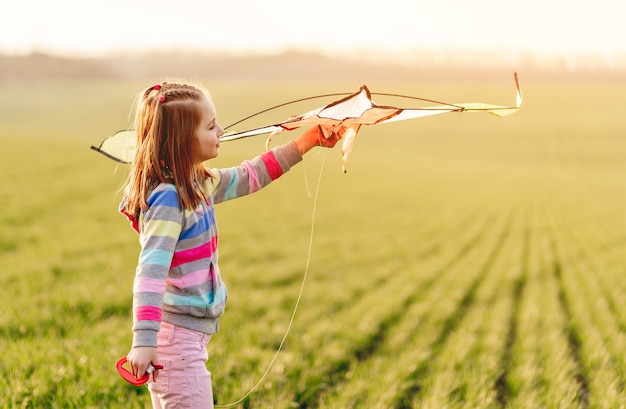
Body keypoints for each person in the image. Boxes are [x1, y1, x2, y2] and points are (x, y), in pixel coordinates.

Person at [119, 80, 344, 408]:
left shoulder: (197, 184)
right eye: (211, 126)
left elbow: (251, 174)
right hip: (174, 346)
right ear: (182, 140)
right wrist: (144, 341)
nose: (221, 130)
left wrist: (307, 140)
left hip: (185, 342)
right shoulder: (169, 198)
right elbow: (150, 274)